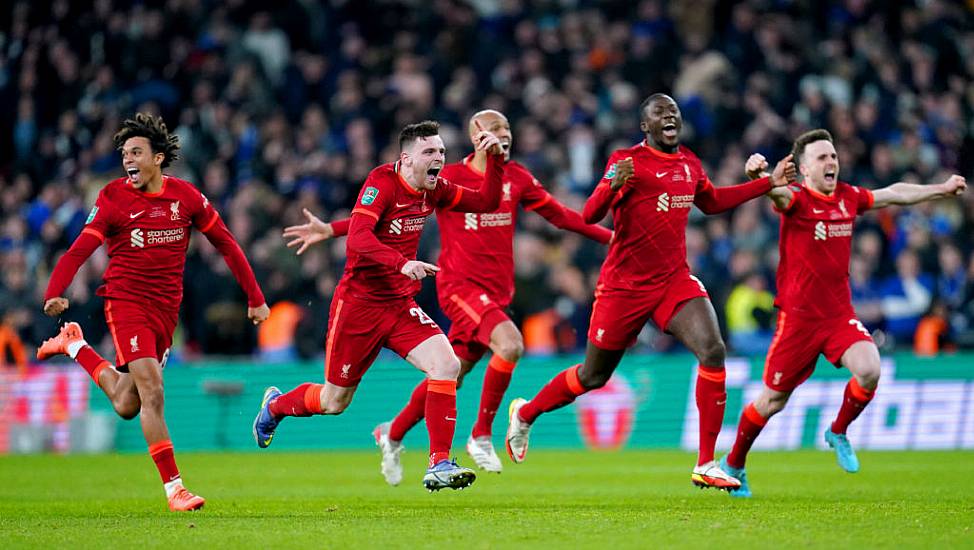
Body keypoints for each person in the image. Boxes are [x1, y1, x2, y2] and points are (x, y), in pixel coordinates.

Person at [283, 110, 612, 482]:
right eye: (493, 129)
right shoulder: (427, 177)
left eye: (507, 127)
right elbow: (369, 223)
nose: (502, 134)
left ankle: (406, 441)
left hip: (463, 294)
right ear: (475, 136)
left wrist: (612, 239)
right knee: (508, 345)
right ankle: (482, 433)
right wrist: (341, 233)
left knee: (450, 370)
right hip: (446, 288)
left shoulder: (504, 177)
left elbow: (547, 214)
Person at [504, 93, 796, 490]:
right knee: (593, 375)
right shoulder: (627, 162)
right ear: (646, 127)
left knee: (713, 349)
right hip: (623, 287)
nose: (669, 116)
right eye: (660, 113)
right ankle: (525, 414)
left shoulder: (689, 162)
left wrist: (766, 185)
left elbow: (710, 203)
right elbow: (589, 215)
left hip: (672, 279)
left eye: (673, 111)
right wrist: (610, 184)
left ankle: (706, 462)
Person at [253, 120, 505, 492]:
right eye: (430, 152)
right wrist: (401, 263)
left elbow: (486, 201)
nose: (439, 159)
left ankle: (438, 463)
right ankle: (275, 406)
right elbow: (359, 239)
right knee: (334, 401)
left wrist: (495, 161)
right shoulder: (382, 182)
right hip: (358, 307)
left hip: (399, 305)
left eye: (441, 152)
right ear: (406, 159)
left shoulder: (432, 189)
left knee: (447, 364)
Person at [36, 113, 270, 511]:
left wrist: (255, 297)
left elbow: (227, 244)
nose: (128, 159)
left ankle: (74, 346)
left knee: (128, 403)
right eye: (125, 153)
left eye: (137, 152)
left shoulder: (187, 198)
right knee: (153, 393)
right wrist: (55, 291)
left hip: (165, 312)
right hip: (126, 303)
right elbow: (79, 248)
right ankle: (175, 489)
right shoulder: (112, 197)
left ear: (158, 158)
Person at [720, 128, 967, 497]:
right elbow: (775, 190)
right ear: (804, 170)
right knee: (772, 401)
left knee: (870, 369)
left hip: (837, 316)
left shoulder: (848, 197)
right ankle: (734, 464)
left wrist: (940, 188)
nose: (831, 162)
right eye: (821, 157)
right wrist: (759, 174)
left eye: (833, 155)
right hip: (798, 321)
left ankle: (837, 431)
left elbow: (894, 194)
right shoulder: (797, 200)